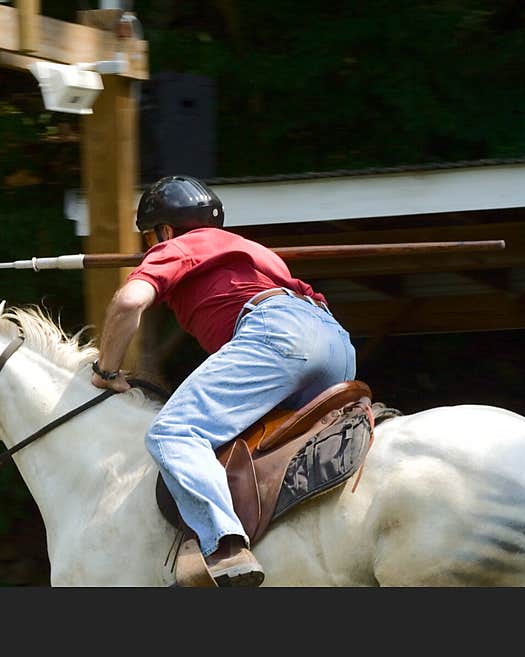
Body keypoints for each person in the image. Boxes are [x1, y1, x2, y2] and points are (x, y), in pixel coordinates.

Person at [89, 174, 357, 586]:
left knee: (175, 433)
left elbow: (128, 302)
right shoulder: (250, 249)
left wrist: (106, 370)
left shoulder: (177, 246)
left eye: (150, 237)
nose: (151, 246)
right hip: (335, 344)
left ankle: (226, 546)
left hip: (279, 336)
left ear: (163, 230)